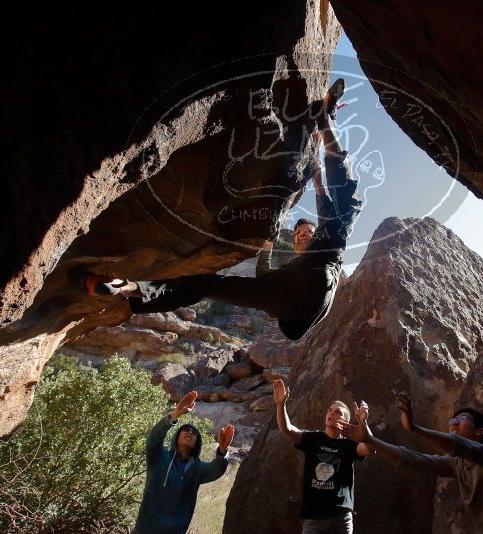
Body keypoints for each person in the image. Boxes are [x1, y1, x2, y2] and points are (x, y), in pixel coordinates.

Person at [73, 78, 363, 341]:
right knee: (205, 285)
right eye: (299, 232)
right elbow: (263, 274)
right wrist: (267, 247)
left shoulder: (315, 256)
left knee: (341, 211)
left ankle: (325, 118)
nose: (301, 235)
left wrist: (315, 174)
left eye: (306, 232)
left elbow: (326, 202)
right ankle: (126, 287)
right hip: (290, 303)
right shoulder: (288, 274)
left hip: (306, 299)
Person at [340, 392, 483, 534]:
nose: (452, 424)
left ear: (480, 431)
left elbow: (457, 445)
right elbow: (410, 458)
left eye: (460, 420)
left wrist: (415, 428)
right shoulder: (456, 465)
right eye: (450, 421)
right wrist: (370, 440)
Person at [273, 378, 372, 533]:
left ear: (345, 421)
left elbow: (370, 449)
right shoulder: (313, 439)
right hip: (314, 518)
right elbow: (287, 429)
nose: (331, 413)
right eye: (329, 410)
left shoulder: (348, 446)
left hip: (341, 518)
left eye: (337, 412)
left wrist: (363, 423)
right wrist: (280, 404)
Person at [133, 390, 235, 534]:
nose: (190, 433)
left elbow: (216, 470)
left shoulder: (198, 469)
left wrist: (223, 450)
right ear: (176, 436)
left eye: (194, 433)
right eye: (186, 430)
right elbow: (153, 439)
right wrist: (174, 415)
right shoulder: (160, 458)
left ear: (197, 443)